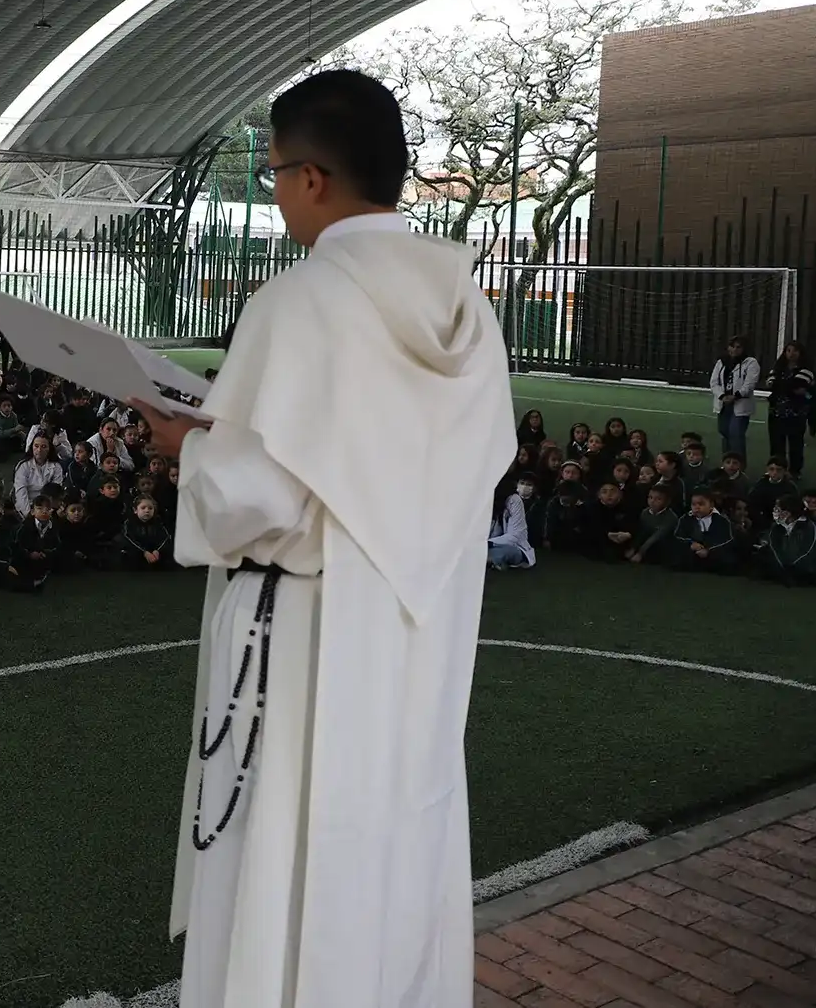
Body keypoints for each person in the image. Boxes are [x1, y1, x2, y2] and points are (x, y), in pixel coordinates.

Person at [130, 69, 511, 1008]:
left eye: (271, 173)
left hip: (300, 639)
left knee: (286, 848)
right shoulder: (470, 316)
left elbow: (255, 502)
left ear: (311, 178)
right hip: (419, 636)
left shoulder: (298, 304)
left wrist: (191, 449)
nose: (275, 192)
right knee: (396, 837)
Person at [765, 341, 816, 479]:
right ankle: (776, 469)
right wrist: (788, 387)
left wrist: (782, 385)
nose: (791, 354)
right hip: (776, 412)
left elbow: (798, 385)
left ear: (801, 353)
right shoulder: (778, 367)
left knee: (795, 444)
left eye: (795, 351)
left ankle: (794, 471)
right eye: (788, 350)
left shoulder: (806, 370)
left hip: (796, 413)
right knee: (776, 443)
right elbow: (770, 383)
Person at [709, 335, 760, 463]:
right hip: (724, 403)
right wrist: (722, 396)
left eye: (739, 347)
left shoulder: (751, 363)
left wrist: (736, 395)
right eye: (732, 346)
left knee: (736, 434)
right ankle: (726, 462)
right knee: (724, 431)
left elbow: (750, 383)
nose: (734, 350)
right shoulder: (721, 362)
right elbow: (714, 382)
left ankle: (738, 464)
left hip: (740, 403)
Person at [488, 476, 535, 569]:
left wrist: (487, 543)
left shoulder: (514, 500)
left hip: (512, 546)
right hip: (487, 545)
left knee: (508, 552)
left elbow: (515, 536)